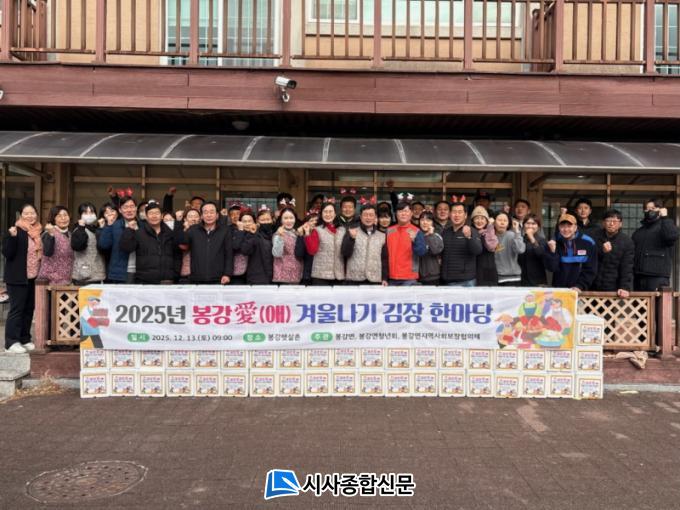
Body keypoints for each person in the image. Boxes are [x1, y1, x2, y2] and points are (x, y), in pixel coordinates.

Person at [2, 204, 42, 353]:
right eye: (26, 213)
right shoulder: (15, 230)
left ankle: (24, 338)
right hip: (17, 278)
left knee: (28, 309)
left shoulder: (38, 231)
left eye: (32, 213)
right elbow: (7, 253)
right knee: (17, 310)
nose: (30, 216)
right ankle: (11, 342)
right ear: (21, 215)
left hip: (33, 277)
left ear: (36, 214)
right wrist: (12, 237)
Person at [119, 202, 179, 284]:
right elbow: (127, 248)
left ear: (162, 216)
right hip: (144, 280)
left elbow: (177, 255)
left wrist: (174, 274)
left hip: (167, 280)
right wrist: (129, 230)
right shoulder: (139, 233)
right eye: (151, 213)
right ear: (146, 216)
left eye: (157, 213)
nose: (154, 216)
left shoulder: (170, 234)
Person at [179, 201, 233, 285]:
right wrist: (182, 225)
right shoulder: (193, 230)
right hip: (196, 279)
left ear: (217, 215)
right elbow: (181, 244)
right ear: (201, 216)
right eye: (205, 212)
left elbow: (229, 254)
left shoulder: (225, 231)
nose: (209, 215)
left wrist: (227, 274)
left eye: (212, 212)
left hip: (219, 279)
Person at [632, 198, 679, 291]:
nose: (650, 211)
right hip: (638, 276)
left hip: (658, 276)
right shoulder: (639, 232)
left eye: (653, 208)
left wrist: (665, 218)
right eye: (647, 209)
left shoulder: (665, 226)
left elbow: (672, 236)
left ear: (660, 209)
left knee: (658, 300)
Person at [545, 213, 597, 290]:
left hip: (580, 290)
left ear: (575, 227)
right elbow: (552, 268)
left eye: (569, 226)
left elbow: (591, 269)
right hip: (559, 289)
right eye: (562, 226)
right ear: (558, 228)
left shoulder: (588, 242)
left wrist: (580, 286)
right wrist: (552, 252)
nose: (566, 229)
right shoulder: (553, 242)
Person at [591, 209, 634, 297]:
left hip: (614, 288)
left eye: (615, 221)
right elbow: (589, 260)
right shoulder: (594, 237)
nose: (611, 224)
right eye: (608, 220)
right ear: (603, 223)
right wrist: (602, 251)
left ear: (620, 224)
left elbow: (627, 267)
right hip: (592, 285)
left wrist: (625, 287)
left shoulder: (626, 241)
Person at [341, 205, 388, 285]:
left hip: (374, 279)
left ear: (375, 217)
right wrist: (351, 239)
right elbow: (345, 253)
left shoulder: (382, 236)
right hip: (354, 280)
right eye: (365, 215)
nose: (368, 218)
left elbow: (384, 259)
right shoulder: (352, 231)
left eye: (371, 215)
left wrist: (384, 278)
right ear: (361, 217)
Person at [440, 202, 483, 286]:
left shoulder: (472, 231)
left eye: (460, 212)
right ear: (450, 214)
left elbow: (478, 251)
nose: (457, 215)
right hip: (447, 280)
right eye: (454, 212)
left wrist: (469, 237)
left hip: (466, 281)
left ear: (465, 215)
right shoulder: (445, 232)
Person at [98, 196, 138, 283]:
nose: (129, 210)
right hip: (120, 273)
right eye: (125, 207)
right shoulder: (114, 225)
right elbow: (104, 245)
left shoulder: (143, 226)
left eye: (131, 206)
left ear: (136, 208)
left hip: (140, 272)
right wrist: (109, 225)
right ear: (120, 210)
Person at [385, 202, 427, 286]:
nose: (403, 214)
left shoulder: (416, 231)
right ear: (396, 214)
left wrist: (415, 241)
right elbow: (384, 255)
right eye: (400, 211)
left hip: (409, 277)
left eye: (406, 211)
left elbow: (422, 252)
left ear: (411, 213)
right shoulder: (389, 231)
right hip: (391, 277)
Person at [304, 202, 346, 285]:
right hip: (320, 275)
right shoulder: (317, 230)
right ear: (321, 214)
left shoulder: (342, 230)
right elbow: (312, 251)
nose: (328, 214)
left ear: (335, 214)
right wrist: (307, 233)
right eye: (325, 212)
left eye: (330, 212)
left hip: (338, 275)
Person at [71, 203, 107, 285]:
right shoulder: (78, 229)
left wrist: (102, 228)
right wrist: (81, 227)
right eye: (85, 213)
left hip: (97, 275)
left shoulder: (95, 229)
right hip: (82, 275)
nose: (89, 215)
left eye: (92, 212)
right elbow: (78, 246)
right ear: (80, 215)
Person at [37, 206, 75, 285]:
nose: (63, 218)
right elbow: (47, 252)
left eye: (65, 215)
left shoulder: (70, 234)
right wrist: (51, 234)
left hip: (67, 280)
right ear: (53, 218)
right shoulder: (48, 233)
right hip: (51, 281)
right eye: (59, 216)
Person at [239, 208, 275, 285]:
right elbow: (245, 250)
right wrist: (252, 234)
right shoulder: (253, 233)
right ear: (257, 221)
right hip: (256, 278)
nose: (266, 222)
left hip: (273, 277)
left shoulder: (275, 234)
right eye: (262, 220)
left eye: (268, 219)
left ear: (272, 220)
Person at [272, 207, 305, 285]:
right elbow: (277, 254)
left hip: (296, 275)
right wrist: (280, 237)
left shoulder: (296, 233)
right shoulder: (278, 234)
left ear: (295, 219)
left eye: (291, 218)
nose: (289, 221)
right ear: (281, 220)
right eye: (285, 218)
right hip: (283, 277)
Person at [493, 211, 526, 286]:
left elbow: (520, 250)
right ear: (494, 222)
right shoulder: (490, 237)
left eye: (505, 220)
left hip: (513, 278)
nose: (502, 223)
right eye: (499, 220)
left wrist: (517, 231)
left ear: (508, 224)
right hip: (496, 277)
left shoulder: (512, 235)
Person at [470, 206, 498, 286]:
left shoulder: (491, 232)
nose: (479, 221)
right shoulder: (469, 233)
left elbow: (491, 246)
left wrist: (490, 228)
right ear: (473, 221)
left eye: (482, 218)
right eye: (476, 218)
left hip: (488, 270)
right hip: (472, 271)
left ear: (486, 221)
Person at [519, 214, 548, 286]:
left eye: (533, 224)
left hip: (538, 280)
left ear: (538, 226)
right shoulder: (519, 239)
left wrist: (532, 238)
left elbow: (541, 254)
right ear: (523, 225)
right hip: (522, 280)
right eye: (528, 223)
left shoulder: (542, 240)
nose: (530, 226)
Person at [416, 211, 443, 285]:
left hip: (433, 277)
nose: (425, 222)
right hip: (416, 276)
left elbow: (436, 250)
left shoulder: (436, 236)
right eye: (422, 220)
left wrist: (430, 236)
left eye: (428, 220)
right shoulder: (415, 235)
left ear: (432, 223)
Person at [230, 210, 255, 285]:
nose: (247, 224)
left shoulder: (257, 234)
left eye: (249, 221)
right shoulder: (235, 232)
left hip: (253, 273)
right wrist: (240, 230)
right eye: (244, 221)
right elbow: (235, 246)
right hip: (238, 273)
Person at [178, 208, 201, 283]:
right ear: (185, 219)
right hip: (185, 272)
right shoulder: (180, 231)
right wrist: (187, 230)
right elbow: (183, 246)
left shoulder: (203, 232)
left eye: (196, 216)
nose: (193, 219)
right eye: (190, 216)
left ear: (200, 219)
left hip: (200, 272)